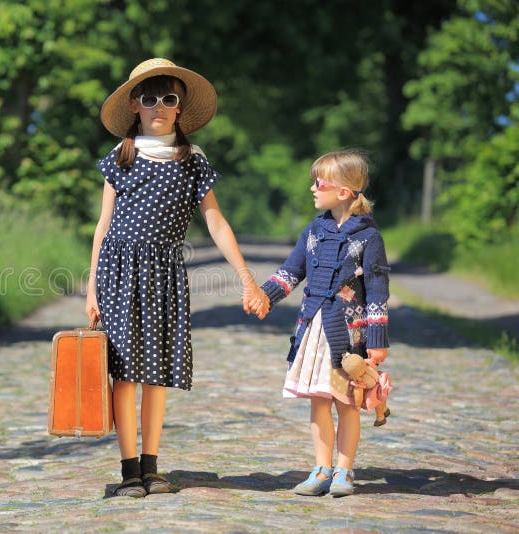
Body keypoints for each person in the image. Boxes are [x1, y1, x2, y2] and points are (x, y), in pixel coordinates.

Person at [85, 58, 269, 498]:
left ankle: (152, 466)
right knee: (125, 373)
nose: (159, 107)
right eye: (150, 99)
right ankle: (129, 468)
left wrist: (246, 278)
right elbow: (103, 225)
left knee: (156, 373)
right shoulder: (121, 157)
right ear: (135, 104)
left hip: (166, 275)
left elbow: (216, 223)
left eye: (169, 99)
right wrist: (91, 287)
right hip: (120, 272)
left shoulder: (192, 160)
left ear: (180, 107)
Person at [251, 149, 390, 498]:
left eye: (319, 182)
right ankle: (321, 468)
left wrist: (377, 338)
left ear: (343, 192)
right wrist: (265, 296)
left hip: (348, 337)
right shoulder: (313, 231)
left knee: (346, 404)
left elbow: (376, 289)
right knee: (318, 402)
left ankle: (344, 471)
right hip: (314, 329)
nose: (312, 188)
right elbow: (291, 271)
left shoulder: (368, 237)